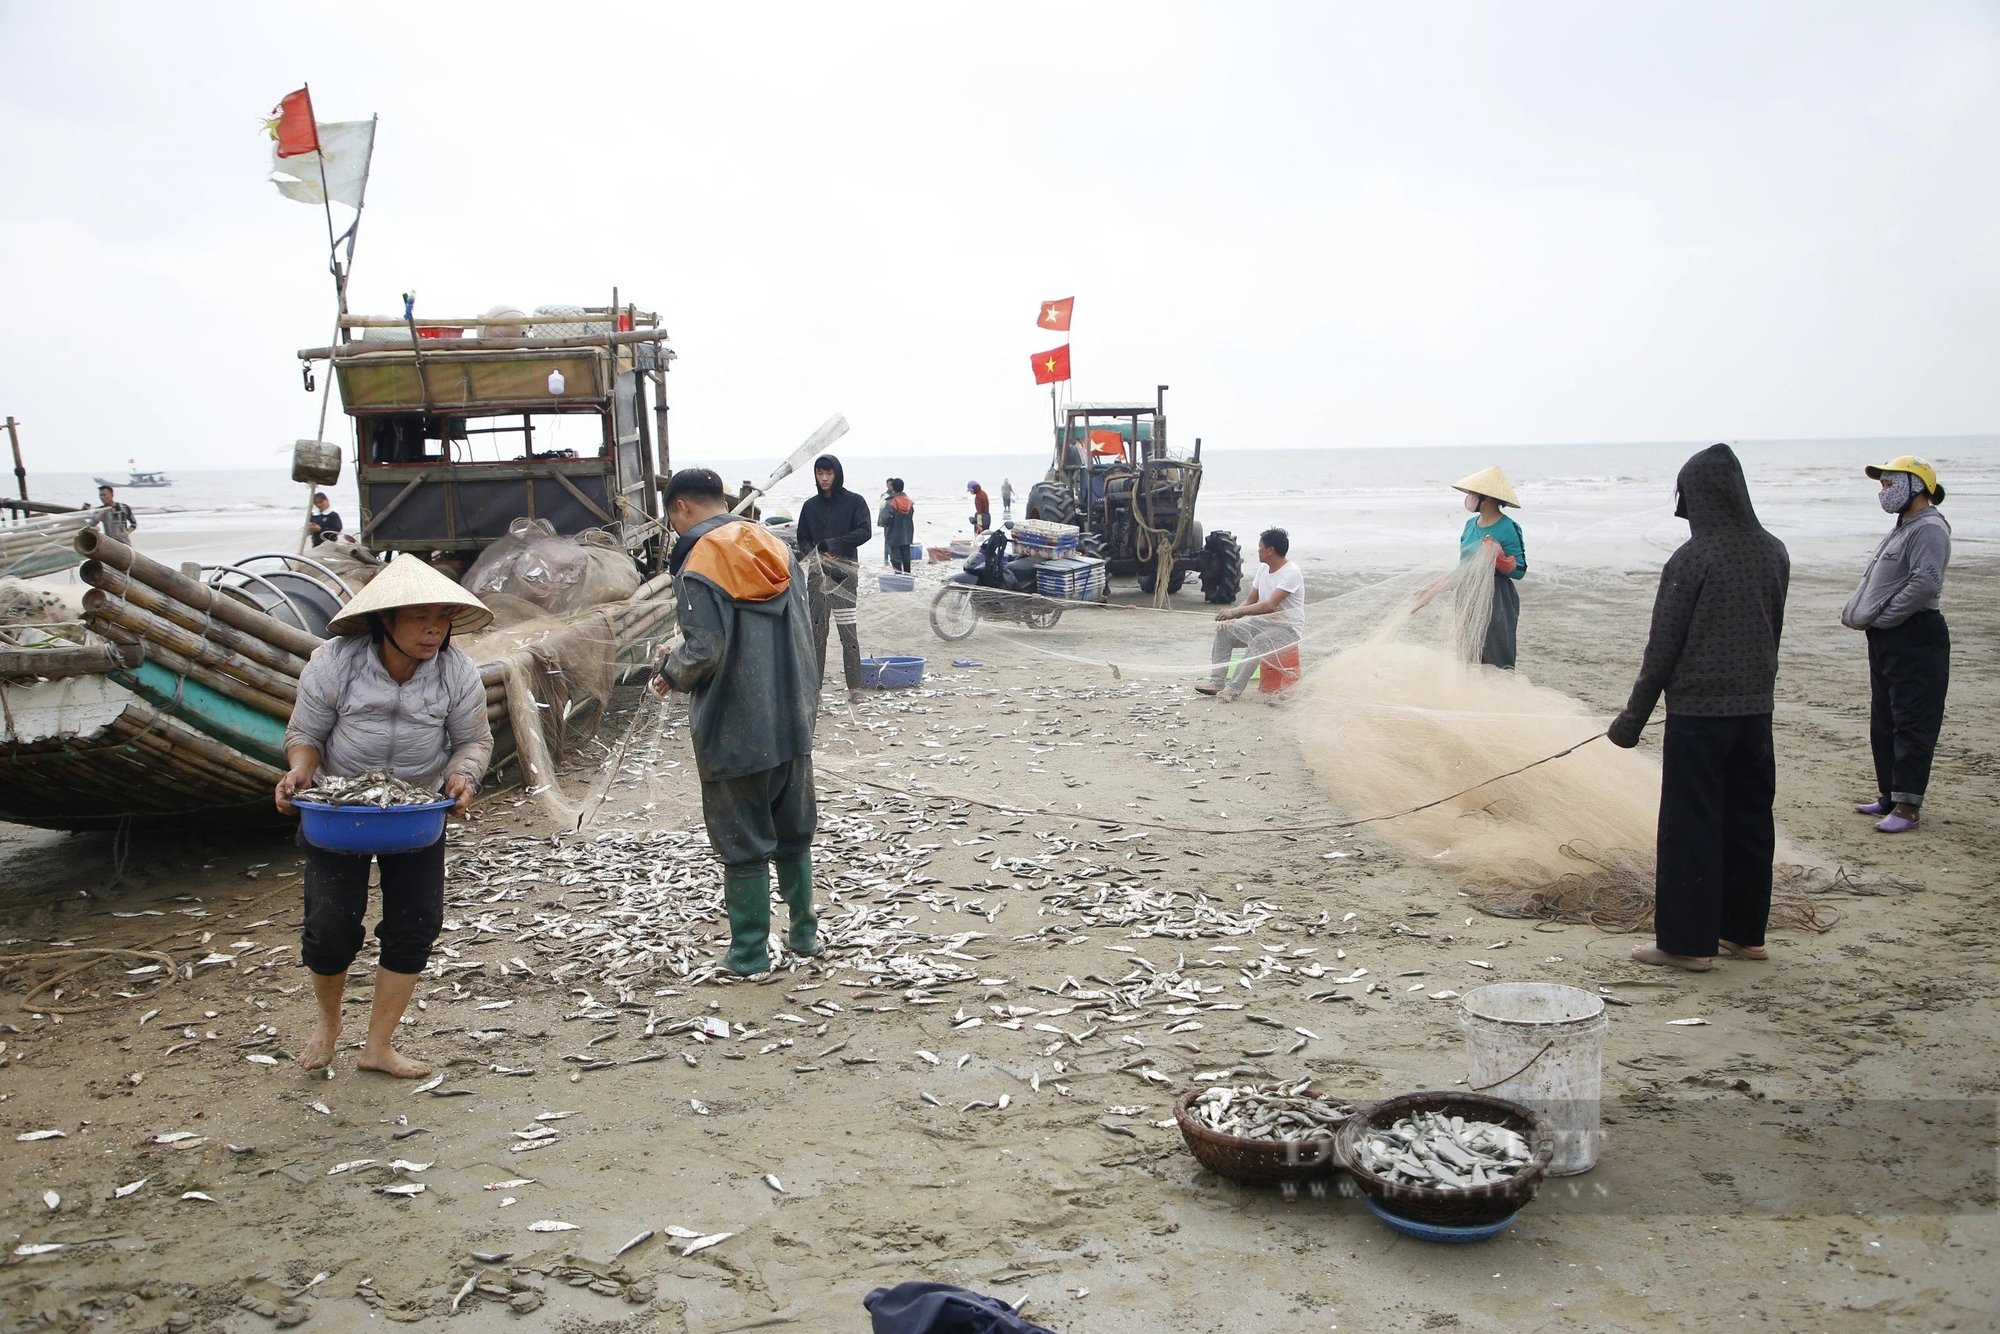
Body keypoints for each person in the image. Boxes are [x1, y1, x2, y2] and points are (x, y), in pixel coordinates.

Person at [275, 555, 495, 1075]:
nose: (434, 629)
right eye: (420, 617)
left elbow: (472, 741)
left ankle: (379, 1046)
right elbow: (304, 735)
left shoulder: (456, 670)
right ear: (384, 620)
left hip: (416, 811)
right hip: (341, 807)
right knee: (329, 927)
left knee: (415, 924)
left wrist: (463, 777)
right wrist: (299, 773)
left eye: (441, 617)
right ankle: (329, 1023)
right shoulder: (335, 661)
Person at [1608, 444, 1789, 972]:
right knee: (1750, 821)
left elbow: (1662, 648)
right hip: (1756, 714)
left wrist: (1630, 722)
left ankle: (1687, 945)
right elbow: (1772, 631)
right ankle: (1745, 934)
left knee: (1692, 827)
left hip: (1699, 719)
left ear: (1700, 498)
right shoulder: (1774, 550)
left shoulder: (1693, 558)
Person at [652, 468, 821, 976]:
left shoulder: (699, 564)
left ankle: (748, 953)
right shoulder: (774, 545)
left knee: (743, 844)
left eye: (671, 518)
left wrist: (669, 668)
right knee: (793, 834)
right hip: (793, 719)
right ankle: (804, 936)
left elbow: (705, 650)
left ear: (680, 507)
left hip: (735, 729)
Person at [1839, 455, 1951, 834]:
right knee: (1884, 720)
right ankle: (1889, 794)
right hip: (1889, 638)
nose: (1884, 492)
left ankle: (1907, 808)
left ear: (1916, 486)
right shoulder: (1904, 526)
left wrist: (1885, 619)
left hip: (1916, 635)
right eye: (1883, 485)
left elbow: (1925, 584)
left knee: (1911, 721)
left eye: (1890, 484)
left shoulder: (1930, 528)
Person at [1197, 527, 1305, 703]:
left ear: (1271, 550)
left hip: (1288, 630)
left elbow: (1270, 605)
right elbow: (1250, 600)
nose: (1258, 551)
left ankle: (1233, 690)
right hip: (1263, 625)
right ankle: (1216, 682)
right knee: (1225, 631)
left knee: (1259, 641)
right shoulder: (1264, 569)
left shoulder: (1291, 572)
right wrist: (1233, 617)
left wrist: (1236, 611)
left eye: (1260, 547)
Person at [793, 453, 871, 696]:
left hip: (845, 574)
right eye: (820, 473)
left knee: (848, 630)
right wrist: (816, 554)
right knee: (817, 632)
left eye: (829, 473)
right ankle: (814, 687)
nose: (824, 478)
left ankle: (855, 686)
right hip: (817, 574)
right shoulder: (809, 506)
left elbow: (864, 531)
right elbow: (802, 538)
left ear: (837, 474)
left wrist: (832, 544)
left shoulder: (855, 502)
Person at [1438, 467, 1527, 668]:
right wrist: (1435, 589)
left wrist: (1499, 557)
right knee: (1467, 655)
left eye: (1472, 493)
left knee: (1496, 655)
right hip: (1468, 593)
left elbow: (1519, 570)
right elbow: (1464, 566)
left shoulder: (1508, 527)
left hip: (1497, 596)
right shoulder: (1470, 525)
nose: (1468, 498)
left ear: (1485, 497)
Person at [878, 478, 915, 575]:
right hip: (907, 535)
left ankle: (899, 579)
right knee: (906, 558)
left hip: (893, 535)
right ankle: (908, 577)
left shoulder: (890, 502)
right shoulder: (909, 502)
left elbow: (884, 520)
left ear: (892, 487)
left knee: (895, 559)